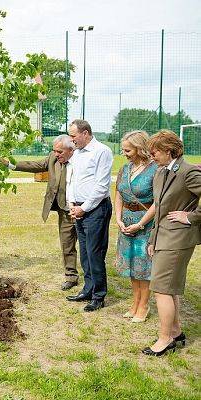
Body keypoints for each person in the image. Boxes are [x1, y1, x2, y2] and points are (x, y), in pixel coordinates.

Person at [142, 130, 201, 357]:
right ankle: (175, 332)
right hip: (163, 237)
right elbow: (159, 208)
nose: (151, 156)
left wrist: (191, 216)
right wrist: (152, 239)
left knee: (161, 288)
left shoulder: (188, 172)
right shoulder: (160, 172)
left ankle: (165, 339)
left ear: (169, 150)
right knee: (170, 287)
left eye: (154, 151)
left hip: (178, 239)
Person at [3, 134, 78, 290]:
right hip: (64, 209)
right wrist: (11, 165)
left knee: (87, 245)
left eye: (60, 152)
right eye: (54, 151)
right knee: (67, 243)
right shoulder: (53, 157)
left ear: (71, 149)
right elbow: (35, 165)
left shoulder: (80, 159)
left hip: (83, 208)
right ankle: (71, 276)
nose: (56, 154)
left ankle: (93, 278)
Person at [66, 119, 113, 312]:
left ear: (85, 133)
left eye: (73, 135)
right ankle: (88, 289)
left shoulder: (102, 152)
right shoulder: (76, 154)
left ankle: (98, 295)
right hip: (78, 209)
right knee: (84, 253)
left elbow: (102, 186)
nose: (71, 140)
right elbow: (71, 180)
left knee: (95, 253)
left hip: (95, 210)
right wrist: (71, 203)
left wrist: (84, 207)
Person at [115, 131, 157, 323]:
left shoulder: (155, 169)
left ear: (140, 149)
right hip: (126, 221)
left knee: (143, 266)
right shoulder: (125, 168)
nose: (124, 153)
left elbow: (159, 202)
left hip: (145, 223)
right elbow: (118, 194)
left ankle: (144, 305)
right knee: (131, 264)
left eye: (128, 150)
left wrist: (140, 224)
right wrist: (118, 219)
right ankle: (135, 302)